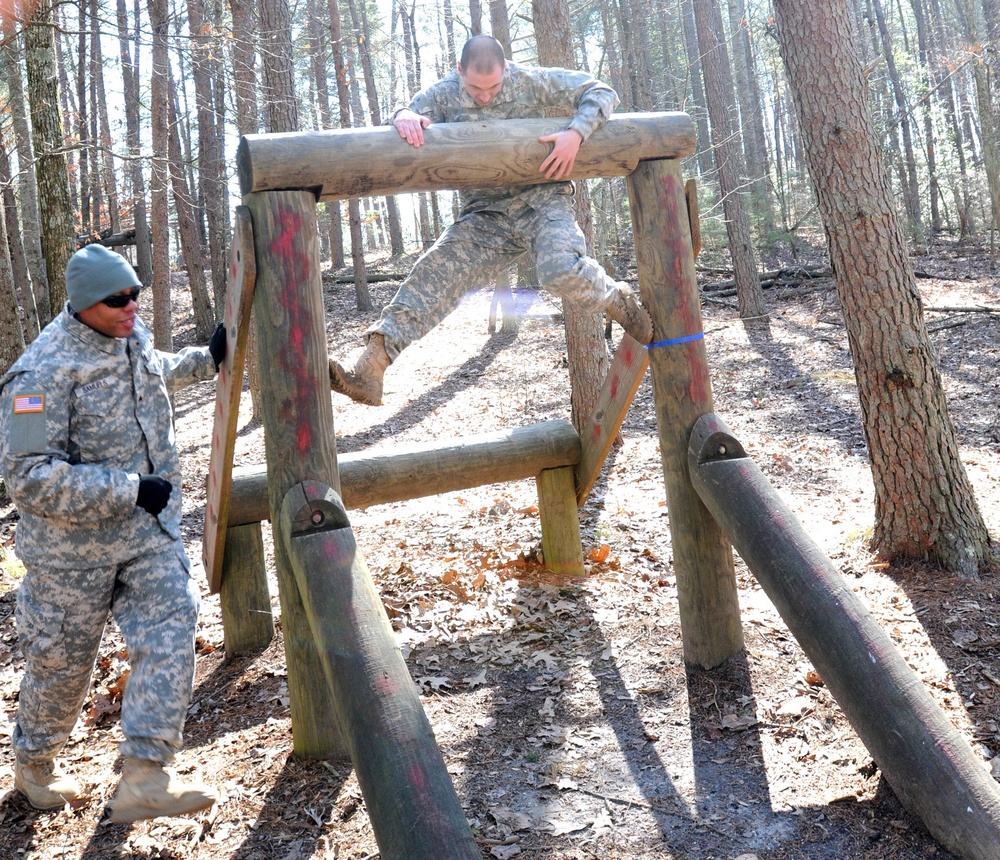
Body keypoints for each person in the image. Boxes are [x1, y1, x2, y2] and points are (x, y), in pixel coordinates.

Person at [0, 243, 226, 822]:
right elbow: (29, 477)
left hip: (148, 533)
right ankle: (35, 765)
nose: (131, 307)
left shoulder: (131, 334)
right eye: (117, 300)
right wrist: (128, 487)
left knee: (174, 623)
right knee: (62, 669)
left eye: (136, 295)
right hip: (70, 558)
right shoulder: (36, 375)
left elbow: (153, 371)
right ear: (81, 306)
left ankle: (146, 776)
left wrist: (208, 358)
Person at [329, 35, 653, 406]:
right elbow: (407, 112)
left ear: (507, 70)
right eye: (475, 88)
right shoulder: (445, 93)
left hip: (542, 199)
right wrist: (402, 116)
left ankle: (617, 299)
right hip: (485, 214)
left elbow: (601, 91)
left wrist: (575, 134)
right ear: (459, 72)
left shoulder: (533, 81)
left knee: (559, 269)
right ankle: (371, 369)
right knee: (433, 273)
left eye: (494, 87)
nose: (485, 96)